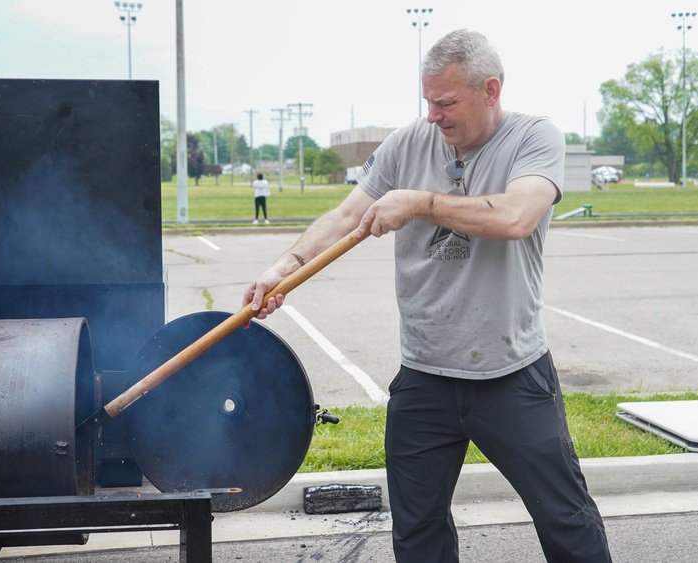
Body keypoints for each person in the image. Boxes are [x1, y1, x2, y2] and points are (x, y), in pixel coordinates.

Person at [242, 29, 612, 562]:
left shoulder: (534, 139)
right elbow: (348, 215)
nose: (433, 116)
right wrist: (285, 265)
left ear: (490, 90)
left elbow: (514, 217)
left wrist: (419, 203)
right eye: (427, 102)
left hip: (510, 373)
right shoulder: (407, 142)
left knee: (564, 517)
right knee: (417, 533)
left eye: (446, 103)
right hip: (425, 378)